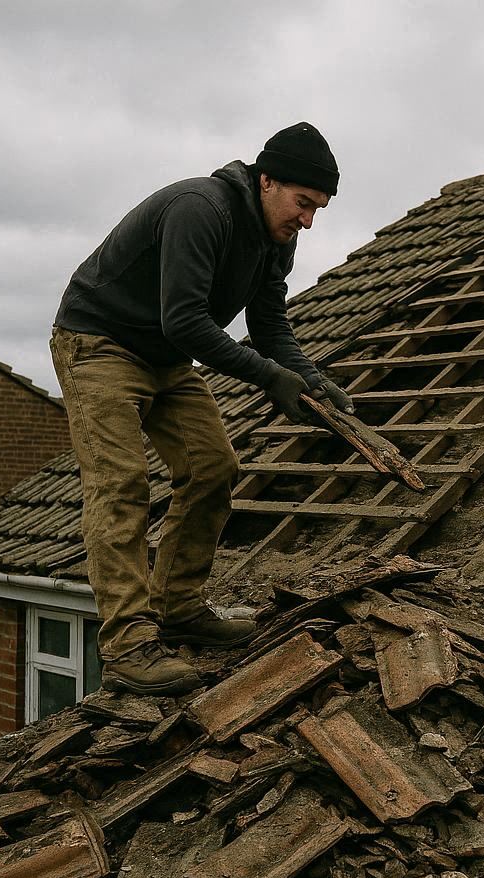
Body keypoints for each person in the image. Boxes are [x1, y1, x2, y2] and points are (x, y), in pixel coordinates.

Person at [51, 122, 353, 697]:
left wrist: (313, 384)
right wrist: (272, 380)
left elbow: (268, 326)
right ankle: (129, 645)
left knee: (214, 466)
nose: (308, 220)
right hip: (99, 342)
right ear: (267, 181)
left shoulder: (275, 241)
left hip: (164, 357)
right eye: (303, 203)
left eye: (318, 210)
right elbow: (186, 321)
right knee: (121, 483)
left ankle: (179, 608)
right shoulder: (201, 209)